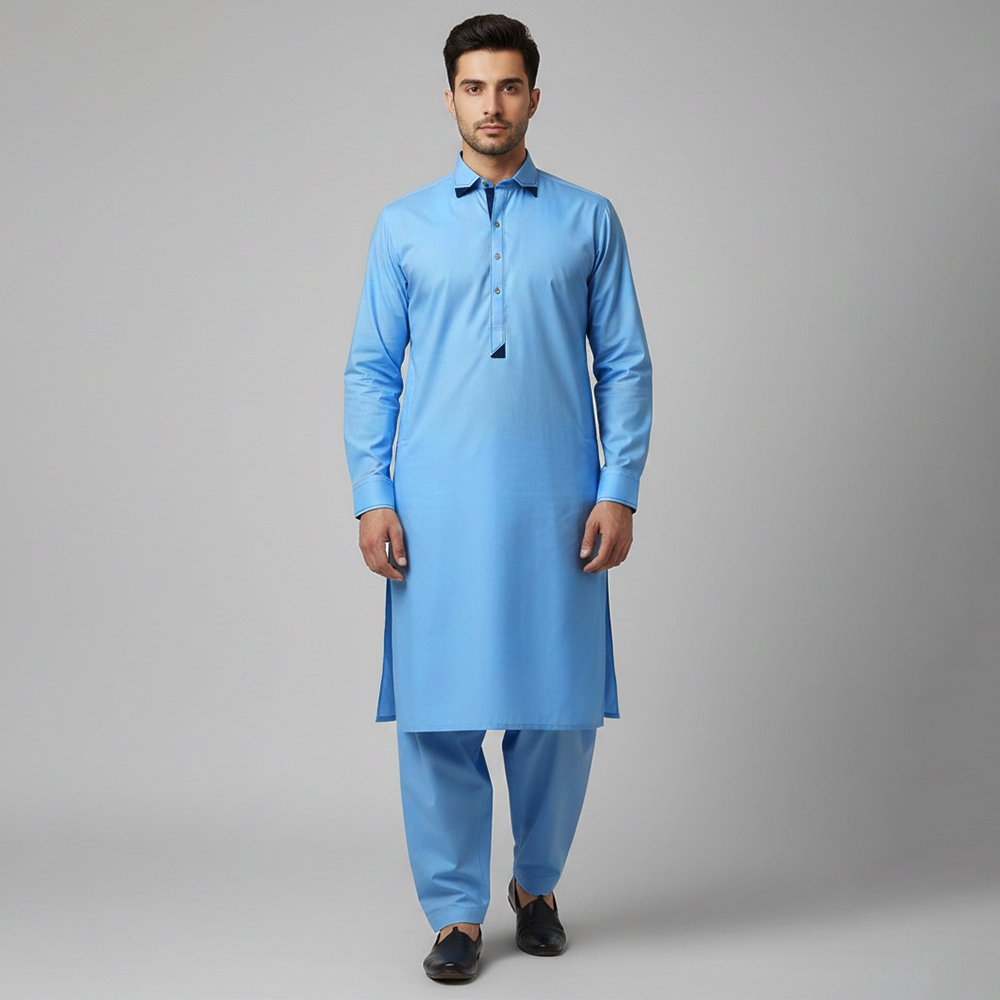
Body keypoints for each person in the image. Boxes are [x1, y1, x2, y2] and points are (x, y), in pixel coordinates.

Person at [343, 13, 653, 985]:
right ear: (448, 98)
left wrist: (619, 488)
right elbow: (371, 370)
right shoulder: (402, 225)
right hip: (433, 511)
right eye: (474, 87)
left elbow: (625, 365)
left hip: (557, 505)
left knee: (558, 711)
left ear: (533, 97)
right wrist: (371, 493)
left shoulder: (588, 218)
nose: (491, 105)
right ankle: (454, 913)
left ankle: (538, 887)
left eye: (508, 86)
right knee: (438, 713)